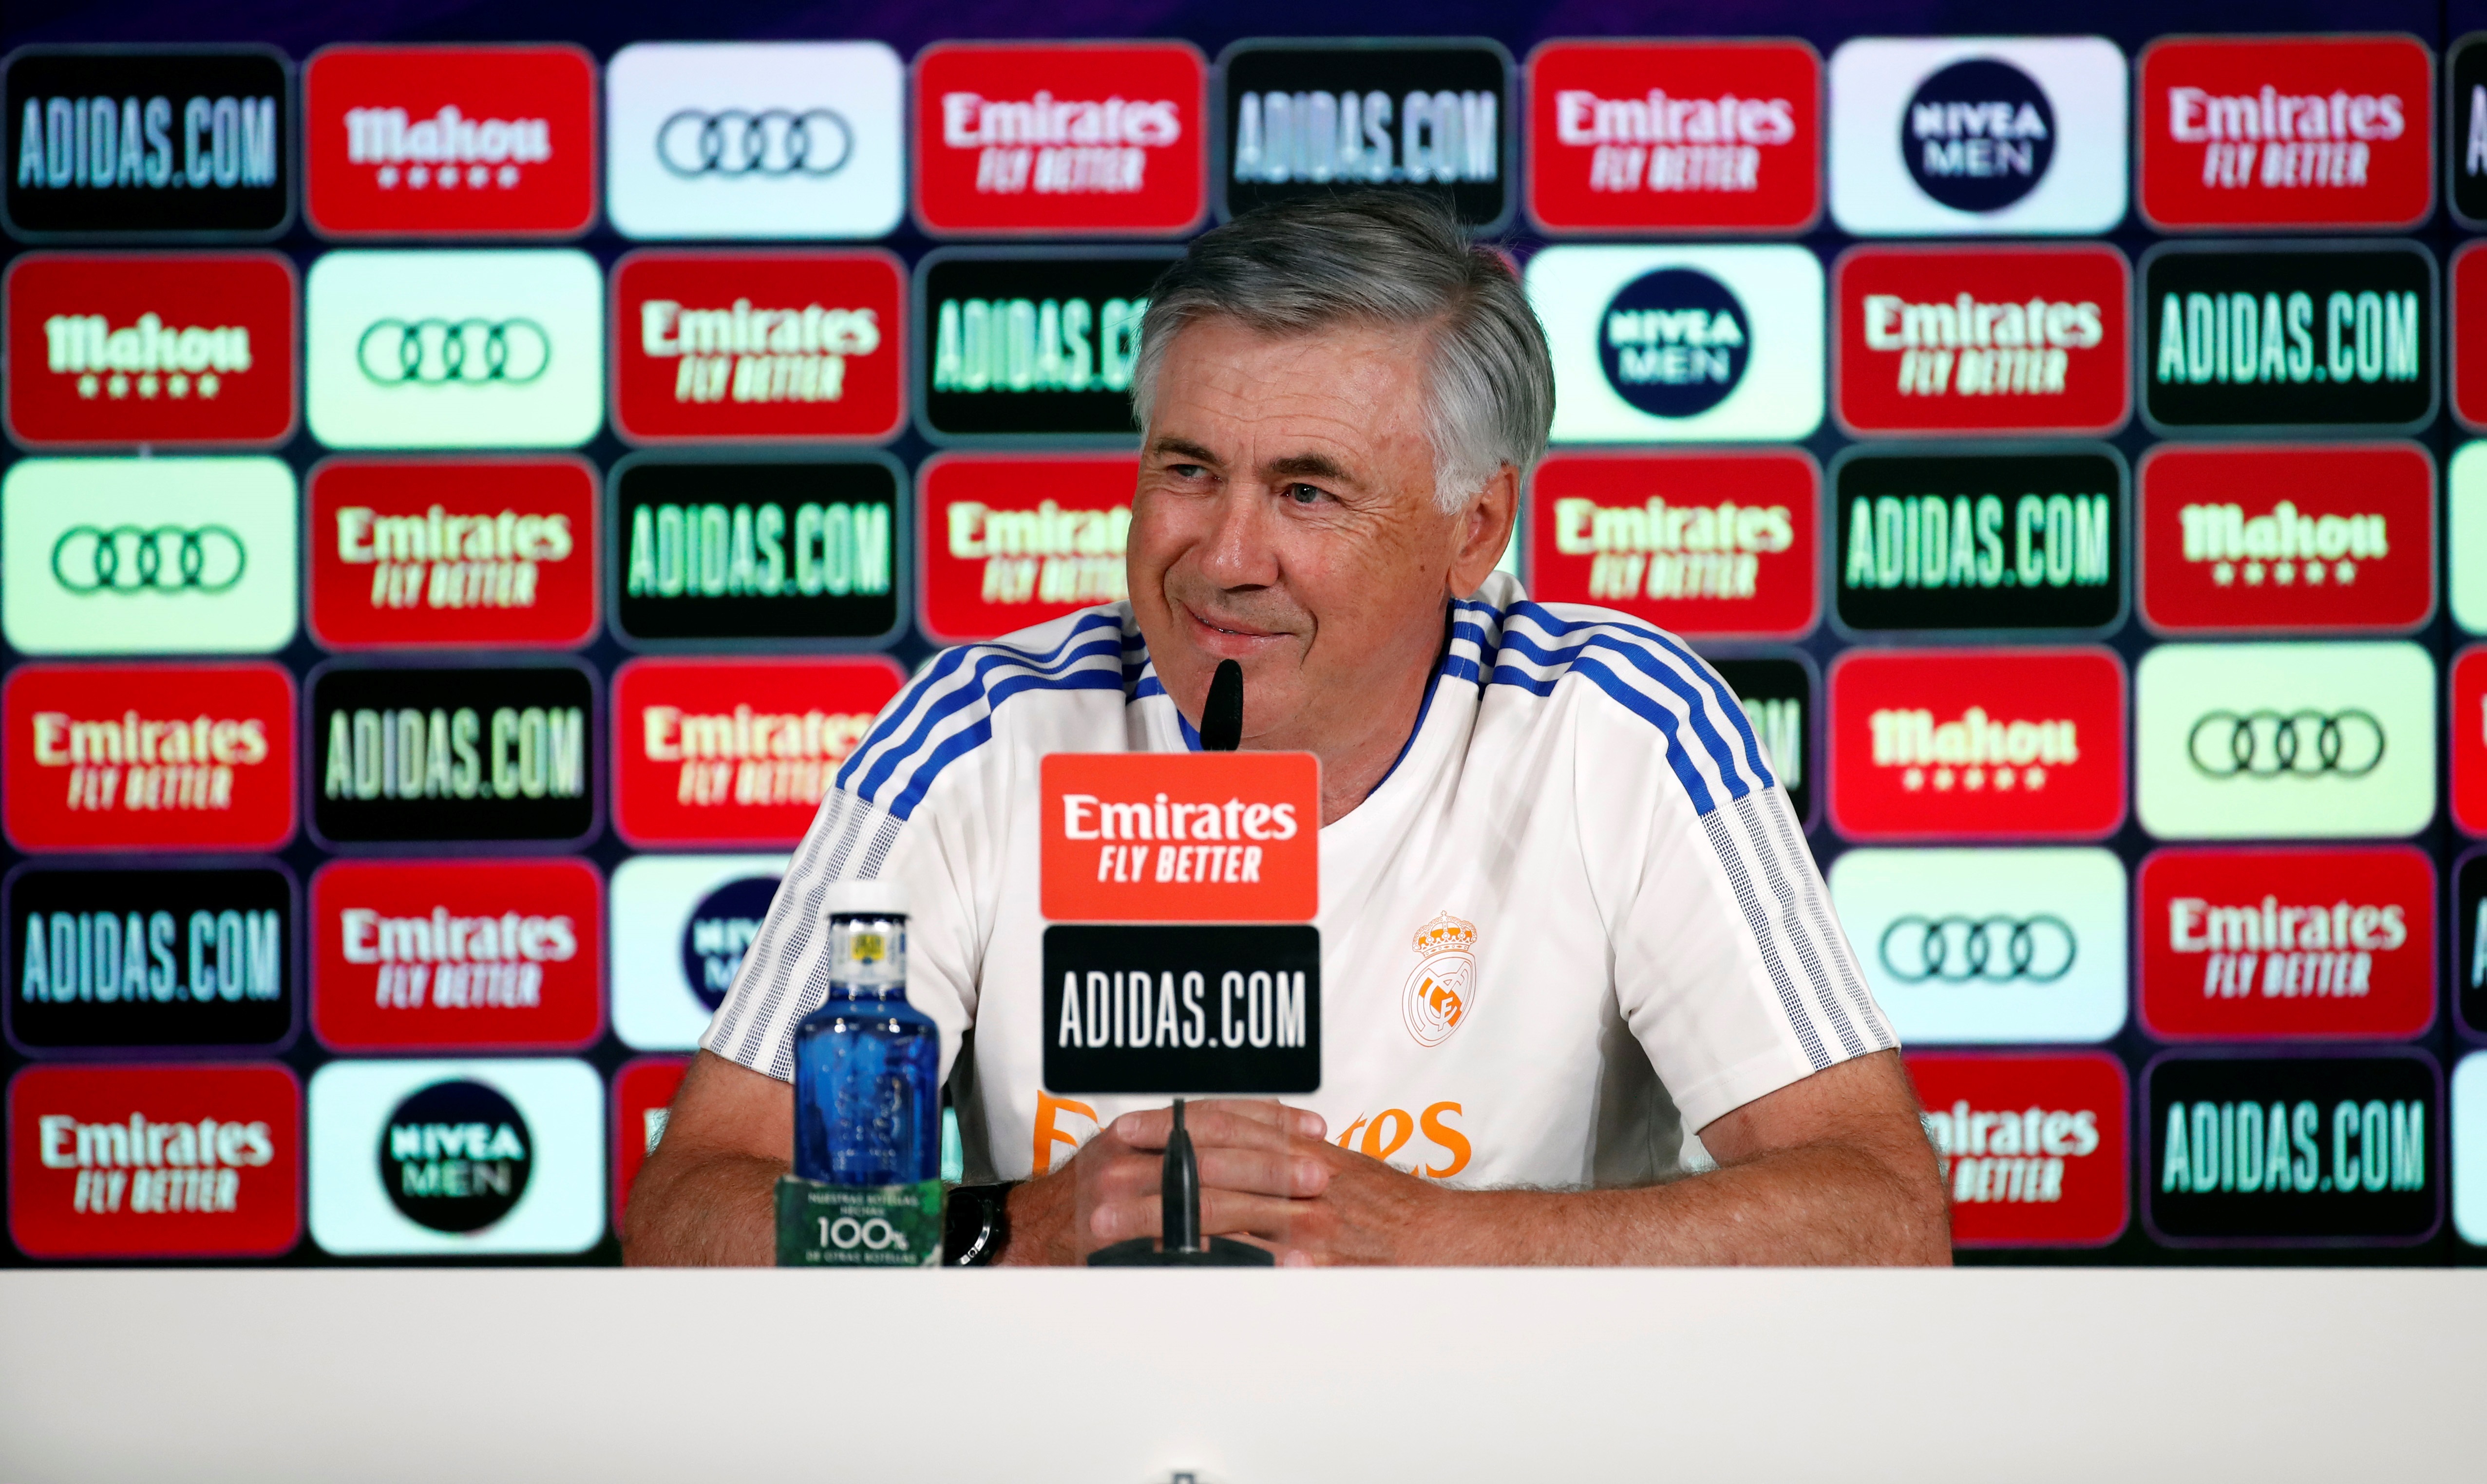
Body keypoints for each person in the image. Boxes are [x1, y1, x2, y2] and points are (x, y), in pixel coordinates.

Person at [626, 191, 1949, 1267]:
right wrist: (1007, 1229)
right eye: (1186, 470)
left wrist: (1420, 1240)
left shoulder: (1623, 727)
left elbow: (1878, 1213)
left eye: (1307, 492)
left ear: (1473, 529)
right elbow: (691, 1210)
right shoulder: (981, 730)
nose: (1225, 556)